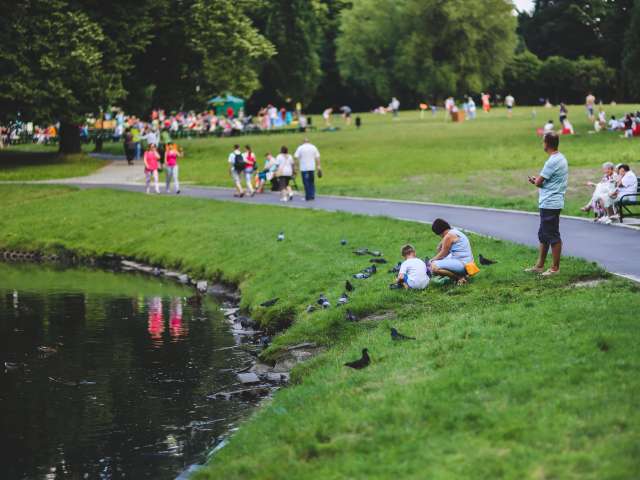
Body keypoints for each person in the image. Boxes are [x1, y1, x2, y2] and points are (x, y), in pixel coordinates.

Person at [526, 132, 568, 276]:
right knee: (544, 234)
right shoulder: (561, 158)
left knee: (552, 235)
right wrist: (538, 180)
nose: (542, 144)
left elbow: (539, 182)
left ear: (547, 143)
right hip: (551, 201)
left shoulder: (552, 161)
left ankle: (555, 268)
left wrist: (534, 180)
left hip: (550, 202)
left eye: (543, 141)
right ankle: (539, 265)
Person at [429, 219, 476, 285]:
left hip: (463, 265)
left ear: (439, 232)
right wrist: (441, 243)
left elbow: (443, 254)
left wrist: (431, 261)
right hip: (469, 264)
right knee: (442, 260)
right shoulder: (454, 231)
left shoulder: (448, 236)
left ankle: (458, 278)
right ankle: (462, 276)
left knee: (434, 267)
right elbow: (440, 249)